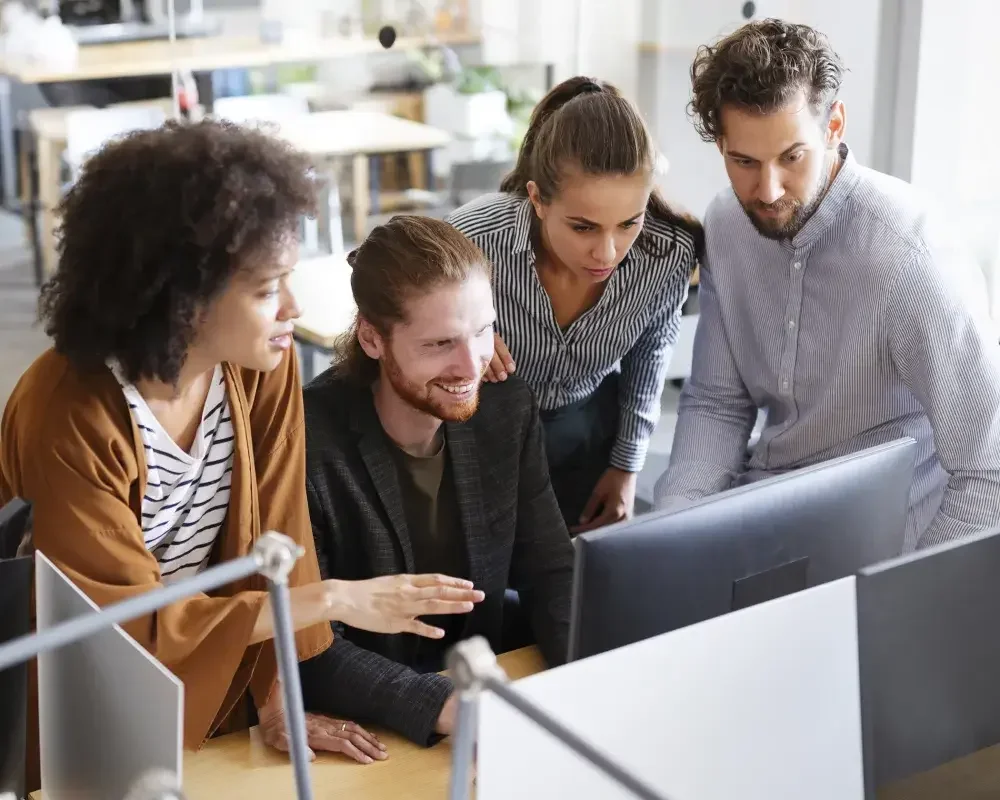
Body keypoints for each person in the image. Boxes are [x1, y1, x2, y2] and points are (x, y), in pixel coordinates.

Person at [0, 121, 483, 789]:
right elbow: (119, 627)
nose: (293, 307)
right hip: (71, 703)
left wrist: (281, 695)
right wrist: (334, 600)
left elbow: (280, 545)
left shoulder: (261, 365)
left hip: (208, 682)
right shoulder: (66, 408)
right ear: (182, 299)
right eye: (265, 290)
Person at [654, 19, 1000, 551]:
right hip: (767, 520)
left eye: (791, 157)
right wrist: (673, 534)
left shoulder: (910, 259)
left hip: (884, 543)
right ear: (719, 142)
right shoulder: (726, 224)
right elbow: (719, 401)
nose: (767, 190)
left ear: (833, 125)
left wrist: (908, 594)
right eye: (743, 161)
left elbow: (988, 466)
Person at [303, 215, 575, 747]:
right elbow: (313, 645)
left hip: (480, 691)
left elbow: (549, 570)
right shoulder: (309, 440)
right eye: (439, 344)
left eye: (482, 331)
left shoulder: (504, 409)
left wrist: (595, 676)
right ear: (372, 339)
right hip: (370, 724)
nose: (471, 364)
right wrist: (450, 709)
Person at [447, 76, 704, 533]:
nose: (607, 252)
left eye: (629, 222)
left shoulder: (668, 253)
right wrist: (458, 339)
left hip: (591, 437)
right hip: (479, 440)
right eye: (583, 227)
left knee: (578, 590)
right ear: (537, 199)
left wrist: (627, 467)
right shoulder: (472, 240)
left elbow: (650, 357)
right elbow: (385, 294)